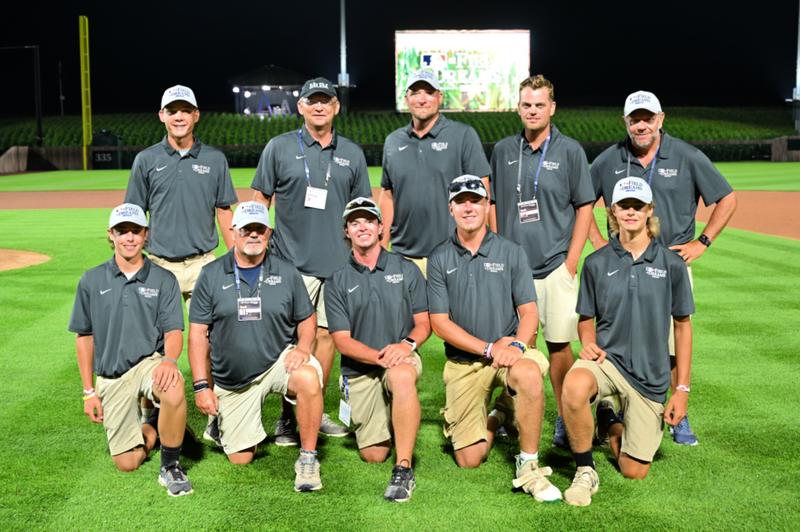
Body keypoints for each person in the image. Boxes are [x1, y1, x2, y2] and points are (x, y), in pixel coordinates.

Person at [588, 90, 736, 445]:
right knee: (613, 336)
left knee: (670, 342)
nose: (641, 125)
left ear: (660, 119)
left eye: (647, 118)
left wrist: (703, 241)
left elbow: (727, 198)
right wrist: (596, 242)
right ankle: (610, 406)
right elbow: (579, 201)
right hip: (619, 262)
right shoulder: (609, 160)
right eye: (634, 119)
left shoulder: (685, 155)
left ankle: (676, 412)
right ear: (625, 121)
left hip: (669, 262)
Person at [426, 175, 561, 503]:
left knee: (527, 373)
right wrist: (488, 348)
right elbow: (440, 324)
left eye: (476, 200)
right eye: (461, 201)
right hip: (466, 362)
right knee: (470, 459)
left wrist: (515, 345)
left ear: (487, 205)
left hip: (510, 354)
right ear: (451, 209)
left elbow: (529, 312)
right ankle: (500, 412)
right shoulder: (439, 257)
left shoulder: (511, 252)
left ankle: (528, 464)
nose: (468, 206)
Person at [562, 177, 695, 506]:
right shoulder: (596, 263)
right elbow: (585, 318)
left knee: (633, 470)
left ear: (650, 211)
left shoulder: (672, 265)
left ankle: (610, 423)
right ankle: (584, 470)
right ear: (613, 212)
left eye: (638, 206)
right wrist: (588, 341)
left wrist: (681, 389)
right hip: (608, 361)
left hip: (650, 376)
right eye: (625, 206)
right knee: (575, 384)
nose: (631, 212)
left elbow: (682, 327)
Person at [252, 77, 371, 444]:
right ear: (300, 107)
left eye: (326, 101)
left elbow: (360, 212)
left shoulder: (351, 152)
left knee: (326, 337)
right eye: (311, 101)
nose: (319, 107)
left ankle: (313, 410)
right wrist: (254, 250)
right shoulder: (280, 147)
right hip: (290, 265)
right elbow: (259, 199)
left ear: (336, 107)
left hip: (337, 267)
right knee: (290, 341)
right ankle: (287, 418)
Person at [124, 84, 238, 444]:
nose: (178, 116)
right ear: (162, 116)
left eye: (184, 110)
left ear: (195, 115)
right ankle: (149, 412)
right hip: (159, 264)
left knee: (216, 340)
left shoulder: (215, 159)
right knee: (151, 343)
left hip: (204, 262)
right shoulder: (146, 160)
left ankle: (216, 414)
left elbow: (224, 211)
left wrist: (234, 259)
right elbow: (134, 215)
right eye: (171, 110)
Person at [187, 202, 325, 492]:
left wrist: (302, 346)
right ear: (233, 232)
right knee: (241, 458)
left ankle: (308, 458)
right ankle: (222, 420)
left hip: (278, 360)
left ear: (269, 233)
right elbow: (198, 333)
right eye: (246, 229)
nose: (253, 235)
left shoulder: (286, 272)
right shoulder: (211, 275)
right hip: (235, 379)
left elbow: (307, 317)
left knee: (309, 376)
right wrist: (201, 386)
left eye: (259, 229)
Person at [489, 75, 594, 449]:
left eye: (539, 104)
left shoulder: (569, 151)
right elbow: (495, 205)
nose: (532, 111)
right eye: (526, 104)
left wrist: (571, 261)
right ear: (518, 108)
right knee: (515, 344)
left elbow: (585, 206)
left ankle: (567, 420)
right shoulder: (503, 150)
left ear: (552, 108)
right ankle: (510, 412)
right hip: (514, 268)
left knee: (559, 346)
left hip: (554, 266)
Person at [68, 203, 192, 497]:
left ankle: (171, 466)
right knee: (128, 462)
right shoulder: (91, 279)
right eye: (122, 231)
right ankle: (159, 429)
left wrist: (170, 361)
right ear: (110, 235)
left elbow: (174, 330)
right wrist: (88, 391)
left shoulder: (163, 279)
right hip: (112, 374)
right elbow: (84, 337)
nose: (129, 238)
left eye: (135, 231)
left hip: (149, 362)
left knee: (173, 386)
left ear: (145, 235)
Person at [325, 197, 431, 502]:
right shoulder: (337, 280)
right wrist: (380, 357)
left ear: (381, 227)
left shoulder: (405, 269)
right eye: (355, 223)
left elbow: (423, 323)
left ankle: (404, 468)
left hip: (400, 356)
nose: (362, 228)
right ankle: (391, 410)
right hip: (361, 368)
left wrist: (405, 346)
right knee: (373, 454)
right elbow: (341, 340)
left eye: (369, 221)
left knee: (400, 377)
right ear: (346, 231)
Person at [379, 70, 492, 274]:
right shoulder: (393, 141)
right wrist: (381, 249)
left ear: (440, 97)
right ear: (406, 99)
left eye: (429, 92)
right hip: (402, 256)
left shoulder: (463, 135)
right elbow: (388, 196)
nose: (422, 99)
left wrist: (482, 247)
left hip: (453, 255)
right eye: (415, 93)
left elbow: (483, 194)